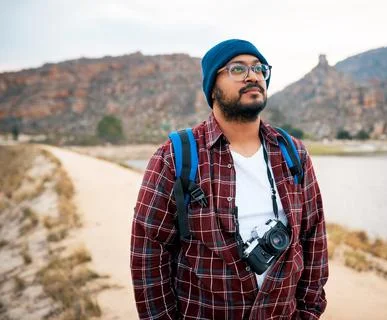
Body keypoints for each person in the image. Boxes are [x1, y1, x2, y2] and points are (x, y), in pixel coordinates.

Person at [131, 39, 328, 319]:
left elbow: (314, 238)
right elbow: (149, 252)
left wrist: (308, 313)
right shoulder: (175, 157)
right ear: (213, 86)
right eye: (238, 69)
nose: (253, 76)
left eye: (260, 69)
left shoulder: (293, 153)